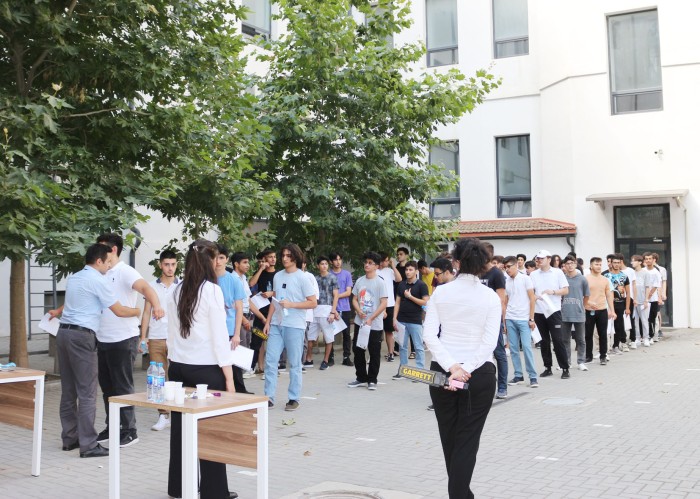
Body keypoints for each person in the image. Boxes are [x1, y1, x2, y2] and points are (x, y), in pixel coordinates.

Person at [423, 238, 500, 498]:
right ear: (483, 265)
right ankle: (460, 495)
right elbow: (490, 342)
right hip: (479, 374)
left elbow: (430, 336)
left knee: (449, 437)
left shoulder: (441, 293)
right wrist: (464, 368)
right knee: (467, 441)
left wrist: (453, 367)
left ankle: (460, 494)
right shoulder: (490, 297)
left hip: (442, 373)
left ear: (456, 262)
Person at [50, 244, 141, 458]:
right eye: (108, 262)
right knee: (88, 392)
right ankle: (89, 444)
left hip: (63, 334)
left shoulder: (74, 278)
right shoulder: (97, 280)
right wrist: (137, 310)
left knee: (69, 390)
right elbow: (118, 310)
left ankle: (69, 438)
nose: (110, 266)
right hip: (82, 337)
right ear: (98, 261)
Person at [166, 239, 236, 499]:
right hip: (206, 370)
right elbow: (220, 338)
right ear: (208, 260)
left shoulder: (176, 289)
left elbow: (171, 334)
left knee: (180, 432)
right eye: (217, 258)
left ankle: (180, 488)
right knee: (211, 432)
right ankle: (214, 491)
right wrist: (229, 377)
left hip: (179, 368)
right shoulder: (211, 291)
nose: (219, 263)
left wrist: (172, 363)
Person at [95, 233, 164, 448]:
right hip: (102, 337)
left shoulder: (125, 271)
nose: (98, 252)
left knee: (122, 386)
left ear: (113, 249)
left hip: (123, 338)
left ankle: (129, 430)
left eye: (101, 248)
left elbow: (146, 288)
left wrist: (157, 305)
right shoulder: (100, 272)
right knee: (107, 386)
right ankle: (112, 426)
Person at [263, 244, 317, 411]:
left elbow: (313, 302)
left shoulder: (303, 278)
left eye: (288, 255)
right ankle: (268, 398)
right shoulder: (278, 276)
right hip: (276, 324)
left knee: (294, 363)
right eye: (283, 255)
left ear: (295, 257)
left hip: (295, 325)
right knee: (270, 360)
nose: (285, 258)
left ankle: (293, 398)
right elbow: (275, 301)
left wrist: (292, 304)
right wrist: (267, 321)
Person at [139, 249, 180, 431]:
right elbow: (146, 311)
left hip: (177, 337)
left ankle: (179, 412)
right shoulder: (151, 286)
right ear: (160, 265)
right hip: (156, 336)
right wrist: (143, 337)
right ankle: (163, 415)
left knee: (178, 375)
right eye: (166, 264)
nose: (170, 268)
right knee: (157, 377)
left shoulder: (183, 285)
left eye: (173, 264)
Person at [347, 251, 388, 390]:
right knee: (358, 349)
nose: (367, 265)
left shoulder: (380, 282)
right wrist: (358, 310)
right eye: (366, 262)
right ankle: (361, 377)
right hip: (360, 322)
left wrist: (371, 317)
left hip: (374, 324)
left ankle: (372, 380)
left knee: (374, 351)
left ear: (376, 266)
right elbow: (354, 299)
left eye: (370, 263)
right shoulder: (359, 280)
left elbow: (383, 303)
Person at [529, 249, 571, 379]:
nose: (539, 261)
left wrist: (553, 292)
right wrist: (535, 296)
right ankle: (547, 367)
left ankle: (565, 368)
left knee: (558, 340)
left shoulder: (557, 272)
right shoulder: (534, 274)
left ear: (548, 259)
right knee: (544, 341)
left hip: (553, 311)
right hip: (539, 311)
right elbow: (531, 291)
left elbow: (565, 290)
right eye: (538, 259)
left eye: (541, 258)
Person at [215, 244, 248, 393]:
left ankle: (238, 395)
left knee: (233, 367)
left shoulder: (234, 280)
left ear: (227, 259)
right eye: (215, 257)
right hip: (212, 330)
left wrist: (236, 334)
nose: (218, 261)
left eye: (221, 257)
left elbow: (239, 308)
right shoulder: (207, 279)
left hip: (229, 329)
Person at [503, 255, 538, 388]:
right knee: (513, 349)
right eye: (505, 267)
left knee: (527, 348)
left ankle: (533, 377)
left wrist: (531, 318)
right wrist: (505, 321)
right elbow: (505, 302)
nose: (507, 270)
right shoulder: (506, 281)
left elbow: (532, 299)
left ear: (516, 265)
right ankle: (518, 375)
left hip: (524, 318)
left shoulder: (525, 279)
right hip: (510, 318)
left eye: (509, 267)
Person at [480, 243, 509, 396]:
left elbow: (501, 300)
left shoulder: (496, 274)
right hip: (478, 320)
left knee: (499, 353)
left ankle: (502, 387)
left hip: (493, 320)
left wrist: (502, 322)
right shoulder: (477, 273)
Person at [392, 261, 429, 376]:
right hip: (401, 320)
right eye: (406, 270)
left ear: (416, 271)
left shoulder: (421, 285)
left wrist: (410, 297)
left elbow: (425, 302)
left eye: (410, 270)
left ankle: (419, 372)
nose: (408, 272)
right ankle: (403, 371)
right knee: (402, 347)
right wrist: (394, 318)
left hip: (415, 320)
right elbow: (397, 303)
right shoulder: (401, 285)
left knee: (418, 347)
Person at [249, 249, 277, 376]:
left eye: (274, 257)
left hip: (275, 312)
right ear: (265, 259)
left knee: (274, 341)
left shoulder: (279, 275)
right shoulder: (260, 273)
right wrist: (261, 269)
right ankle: (251, 367)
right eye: (270, 257)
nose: (273, 259)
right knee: (256, 340)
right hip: (261, 312)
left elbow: (285, 290)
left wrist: (272, 293)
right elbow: (251, 283)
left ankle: (272, 368)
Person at [585, 257, 616, 365]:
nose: (598, 267)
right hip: (588, 310)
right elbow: (582, 295)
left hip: (602, 310)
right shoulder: (586, 279)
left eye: (599, 265)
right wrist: (587, 303)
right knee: (588, 334)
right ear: (591, 266)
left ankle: (603, 355)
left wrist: (612, 310)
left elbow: (608, 295)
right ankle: (588, 355)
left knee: (603, 334)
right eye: (596, 264)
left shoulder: (605, 280)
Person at [561, 255, 590, 371]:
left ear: (575, 264)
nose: (570, 265)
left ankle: (581, 361)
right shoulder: (562, 278)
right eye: (567, 263)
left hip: (578, 312)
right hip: (565, 313)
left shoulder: (582, 279)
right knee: (565, 339)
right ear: (564, 266)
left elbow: (587, 295)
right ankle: (566, 362)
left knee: (581, 339)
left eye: (572, 263)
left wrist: (583, 306)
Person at [602, 255, 631, 354]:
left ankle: (616, 345)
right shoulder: (605, 276)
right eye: (614, 262)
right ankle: (604, 347)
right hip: (607, 303)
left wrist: (627, 307)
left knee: (619, 325)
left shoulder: (624, 276)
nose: (616, 264)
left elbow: (628, 293)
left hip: (620, 303)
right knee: (605, 325)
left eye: (618, 262)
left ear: (621, 263)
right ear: (611, 263)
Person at [329, 252, 354, 366]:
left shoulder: (347, 274)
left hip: (345, 308)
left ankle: (346, 357)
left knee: (346, 333)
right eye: (335, 259)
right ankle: (330, 357)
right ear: (331, 262)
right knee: (330, 333)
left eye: (340, 259)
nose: (338, 262)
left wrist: (337, 296)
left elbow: (349, 292)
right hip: (330, 308)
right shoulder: (328, 274)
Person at [377, 252, 401, 362]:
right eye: (385, 260)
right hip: (378, 304)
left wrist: (393, 265)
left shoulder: (390, 271)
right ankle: (374, 354)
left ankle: (390, 353)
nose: (387, 262)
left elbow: (399, 279)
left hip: (390, 304)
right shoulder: (375, 271)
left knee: (389, 331)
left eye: (388, 260)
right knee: (376, 331)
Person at [630, 255, 651, 346]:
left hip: (642, 300)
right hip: (634, 300)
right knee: (635, 321)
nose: (632, 263)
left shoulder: (645, 273)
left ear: (640, 262)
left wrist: (646, 299)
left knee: (644, 320)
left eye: (634, 261)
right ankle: (637, 338)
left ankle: (646, 337)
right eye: (632, 261)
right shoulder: (631, 273)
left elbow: (647, 287)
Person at [643, 252, 663, 343]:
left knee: (652, 318)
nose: (648, 260)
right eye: (646, 259)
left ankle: (652, 336)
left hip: (653, 299)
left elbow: (657, 285)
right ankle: (644, 336)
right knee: (643, 318)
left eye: (649, 259)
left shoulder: (656, 272)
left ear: (653, 260)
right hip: (642, 299)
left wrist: (650, 295)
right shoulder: (642, 271)